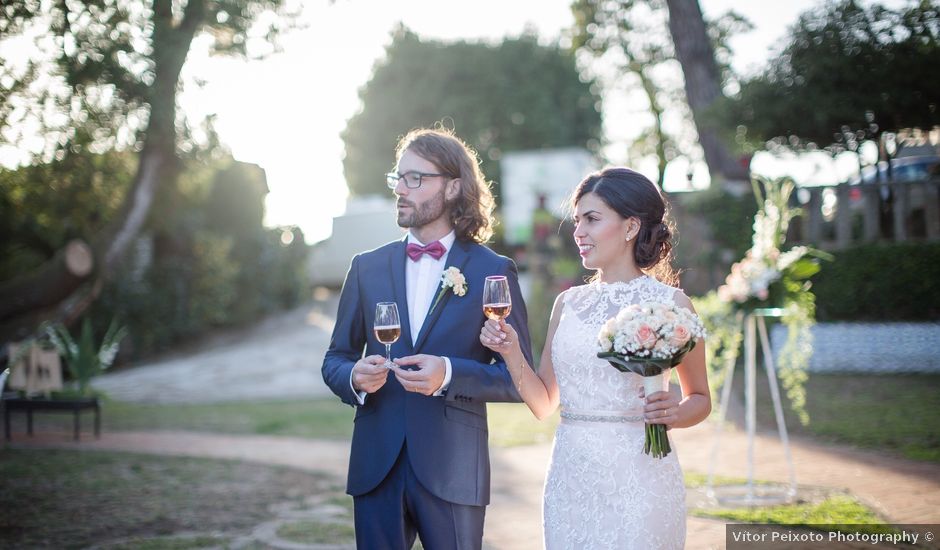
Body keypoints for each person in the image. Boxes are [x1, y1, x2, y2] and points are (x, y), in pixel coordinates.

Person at [322, 127, 533, 550]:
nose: (400, 189)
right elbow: (336, 359)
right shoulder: (366, 268)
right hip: (376, 464)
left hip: (455, 466)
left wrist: (449, 374)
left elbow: (517, 377)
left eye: (415, 178)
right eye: (397, 178)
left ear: (454, 186)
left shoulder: (492, 270)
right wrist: (354, 378)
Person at [479, 167, 710, 549]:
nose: (578, 232)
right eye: (576, 221)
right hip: (571, 479)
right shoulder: (567, 304)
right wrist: (510, 350)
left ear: (631, 226)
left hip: (641, 477)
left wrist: (674, 413)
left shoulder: (671, 305)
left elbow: (700, 399)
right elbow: (543, 403)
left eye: (592, 219)